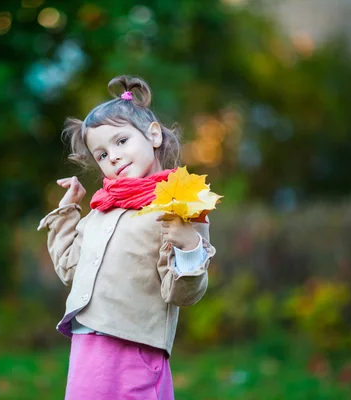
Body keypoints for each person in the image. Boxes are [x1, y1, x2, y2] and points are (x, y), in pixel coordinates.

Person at [38, 75, 216, 399]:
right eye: (102, 154)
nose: (113, 157)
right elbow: (69, 268)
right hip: (87, 343)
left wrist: (189, 245)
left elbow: (182, 293)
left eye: (121, 142)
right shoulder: (101, 211)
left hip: (135, 346)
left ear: (153, 135)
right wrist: (66, 214)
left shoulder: (177, 205)